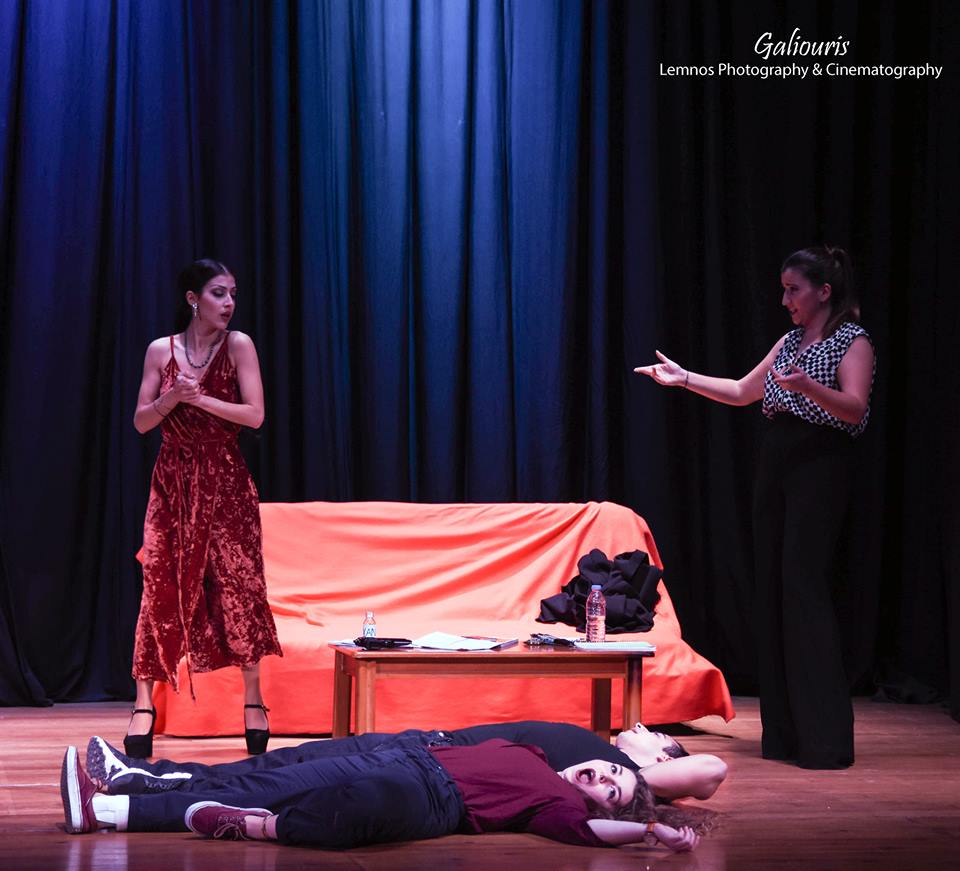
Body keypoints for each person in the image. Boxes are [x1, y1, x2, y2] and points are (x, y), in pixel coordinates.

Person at [635, 245, 875, 770]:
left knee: (803, 589)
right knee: (773, 589)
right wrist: (685, 378)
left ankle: (825, 740)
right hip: (778, 461)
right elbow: (745, 390)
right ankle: (786, 735)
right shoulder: (789, 342)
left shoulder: (851, 340)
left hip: (820, 464)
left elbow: (855, 409)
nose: (785, 300)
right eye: (783, 289)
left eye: (793, 290)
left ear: (824, 291)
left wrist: (809, 387)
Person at [128, 259, 283, 758]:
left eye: (233, 293)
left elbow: (255, 415)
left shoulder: (238, 345)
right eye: (219, 293)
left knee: (239, 586)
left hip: (225, 480)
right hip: (172, 482)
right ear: (193, 299)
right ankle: (143, 704)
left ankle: (253, 699)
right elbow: (141, 422)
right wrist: (173, 396)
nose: (229, 302)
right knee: (159, 583)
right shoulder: (161, 350)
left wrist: (199, 401)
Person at [60, 740, 700, 852]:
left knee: (341, 810)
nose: (601, 780)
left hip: (430, 796)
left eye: (611, 792)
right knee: (267, 780)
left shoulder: (560, 809)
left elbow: (593, 835)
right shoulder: (537, 754)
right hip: (405, 756)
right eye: (609, 771)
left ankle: (106, 811)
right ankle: (124, 790)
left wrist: (650, 830)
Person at [84, 720, 727, 803]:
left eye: (653, 734)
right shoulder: (603, 755)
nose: (640, 726)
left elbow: (712, 772)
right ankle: (150, 775)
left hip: (426, 763)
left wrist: (649, 770)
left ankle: (141, 786)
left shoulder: (620, 771)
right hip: (423, 743)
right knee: (290, 760)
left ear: (663, 756)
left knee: (282, 780)